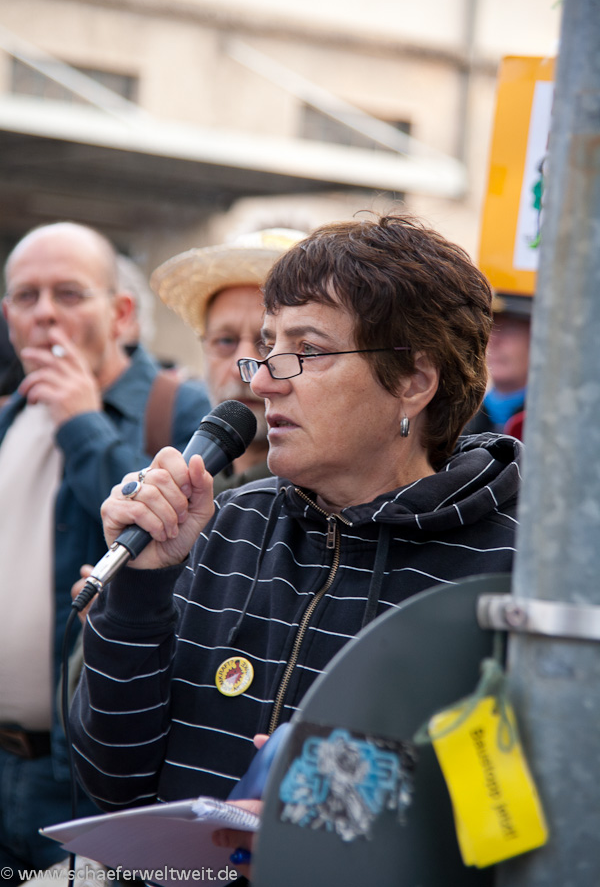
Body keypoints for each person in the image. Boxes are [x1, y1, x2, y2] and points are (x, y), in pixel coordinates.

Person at [70, 213, 522, 879]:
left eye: (305, 351)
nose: (262, 382)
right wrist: (141, 585)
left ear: (413, 381)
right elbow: (114, 782)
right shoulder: (225, 523)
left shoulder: (515, 566)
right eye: (266, 348)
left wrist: (333, 813)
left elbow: (525, 817)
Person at [0, 221, 211, 877]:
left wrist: (84, 422)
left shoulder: (178, 408)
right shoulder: (9, 415)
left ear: (120, 313)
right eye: (25, 296)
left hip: (84, 774)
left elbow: (159, 535)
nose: (44, 314)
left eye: (68, 294)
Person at [150, 228, 306, 494]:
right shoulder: (173, 484)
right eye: (225, 341)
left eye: (268, 345)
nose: (241, 369)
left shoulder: (334, 503)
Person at [463, 292, 532, 439]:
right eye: (489, 327)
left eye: (510, 328)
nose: (494, 340)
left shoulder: (553, 423)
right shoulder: (463, 421)